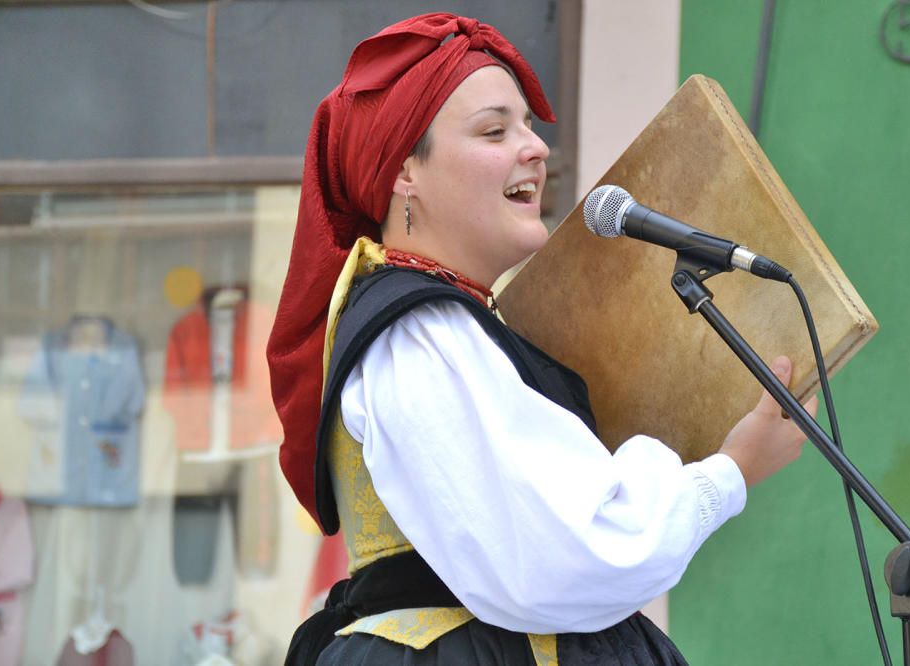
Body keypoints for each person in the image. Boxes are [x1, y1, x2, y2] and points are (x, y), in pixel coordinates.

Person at [267, 12, 818, 665]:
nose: (535, 147)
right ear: (402, 174)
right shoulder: (420, 333)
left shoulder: (449, 322)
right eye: (495, 130)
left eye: (528, 126)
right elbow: (567, 556)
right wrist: (731, 470)